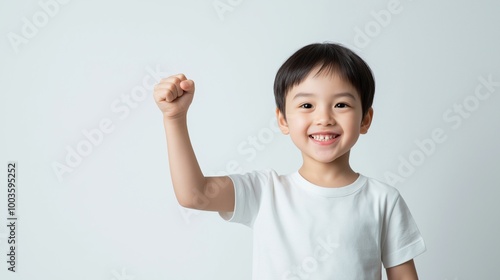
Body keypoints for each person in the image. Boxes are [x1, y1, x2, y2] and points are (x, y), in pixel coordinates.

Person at [153, 42, 426, 280]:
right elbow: (194, 195)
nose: (324, 118)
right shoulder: (264, 192)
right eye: (307, 105)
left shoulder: (383, 200)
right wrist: (175, 119)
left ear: (365, 119)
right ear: (283, 119)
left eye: (341, 104)